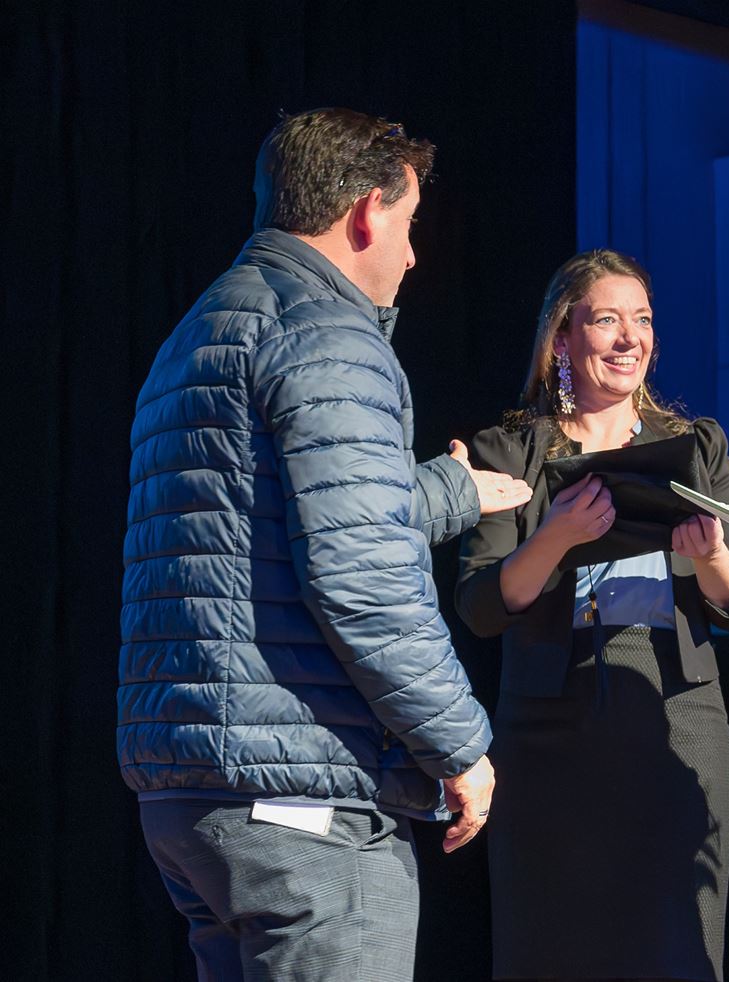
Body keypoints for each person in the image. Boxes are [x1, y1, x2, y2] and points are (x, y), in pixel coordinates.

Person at [118, 107, 533, 982]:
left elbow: (263, 520)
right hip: (301, 797)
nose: (414, 257)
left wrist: (449, 492)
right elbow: (361, 577)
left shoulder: (199, 329)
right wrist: (460, 746)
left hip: (192, 792)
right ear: (367, 212)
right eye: (410, 223)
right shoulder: (328, 334)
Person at [456, 249, 729, 982]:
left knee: (677, 955)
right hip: (550, 736)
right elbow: (480, 607)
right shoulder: (510, 452)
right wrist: (556, 536)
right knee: (552, 955)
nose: (631, 338)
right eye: (607, 320)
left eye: (643, 320)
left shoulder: (697, 448)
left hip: (677, 722)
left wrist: (711, 554)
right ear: (563, 337)